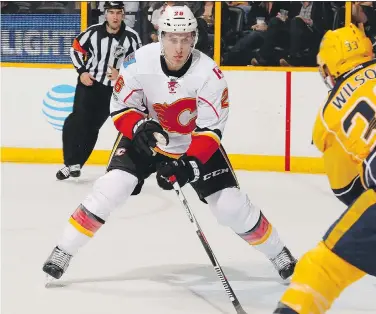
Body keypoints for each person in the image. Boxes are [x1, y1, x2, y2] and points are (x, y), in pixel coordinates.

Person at [43, 5, 297, 282]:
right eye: (172, 38)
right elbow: (121, 106)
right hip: (147, 137)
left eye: (186, 38)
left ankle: (278, 252)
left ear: (195, 38)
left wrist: (188, 166)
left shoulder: (210, 74)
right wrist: (138, 126)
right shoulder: (138, 62)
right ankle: (63, 249)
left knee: (230, 207)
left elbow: (211, 130)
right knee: (112, 188)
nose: (179, 47)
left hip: (192, 143)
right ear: (160, 36)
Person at [273, 24, 376, 313]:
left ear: (327, 71)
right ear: (370, 51)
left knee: (321, 267)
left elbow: (347, 190)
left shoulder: (327, 118)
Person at [57, 1, 142, 180]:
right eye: (111, 12)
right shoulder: (93, 32)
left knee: (93, 128)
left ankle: (76, 165)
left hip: (111, 90)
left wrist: (122, 74)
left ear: (123, 14)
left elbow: (138, 62)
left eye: (118, 13)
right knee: (77, 120)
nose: (115, 16)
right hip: (89, 83)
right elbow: (76, 49)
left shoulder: (132, 37)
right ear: (105, 14)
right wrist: (82, 72)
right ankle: (70, 161)